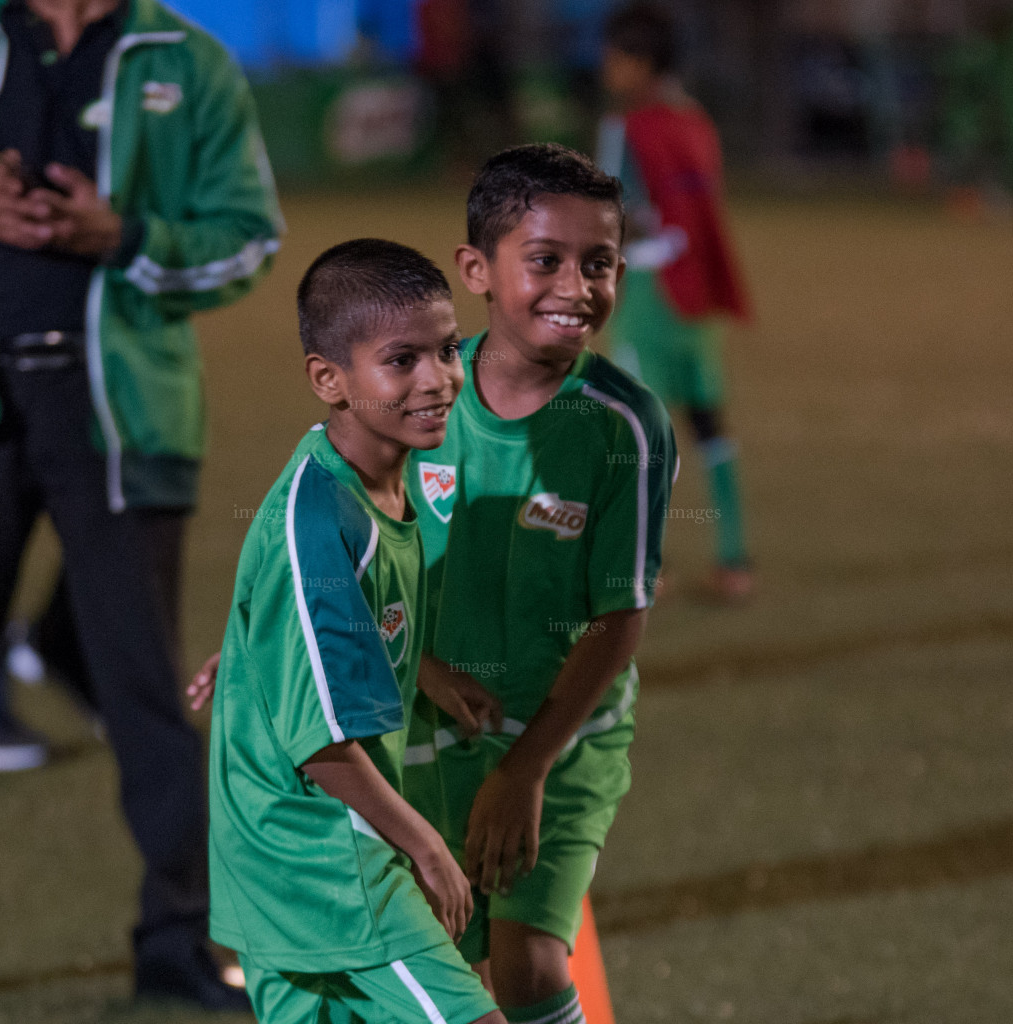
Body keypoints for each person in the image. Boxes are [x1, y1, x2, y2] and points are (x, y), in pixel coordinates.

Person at [0, 0, 283, 1010]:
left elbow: (248, 235)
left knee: (144, 688)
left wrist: (124, 235)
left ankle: (179, 930)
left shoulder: (188, 60)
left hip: (120, 416)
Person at [404, 143, 676, 1024]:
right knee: (446, 958)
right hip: (439, 725)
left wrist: (526, 768)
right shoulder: (418, 396)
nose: (575, 286)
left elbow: (620, 613)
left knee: (527, 962)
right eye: (545, 260)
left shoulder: (623, 426)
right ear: (477, 270)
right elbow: (348, 553)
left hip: (563, 735)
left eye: (598, 263)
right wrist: (417, 669)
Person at [202, 238, 504, 1024]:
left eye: (445, 349)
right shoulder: (320, 520)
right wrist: (425, 847)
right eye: (401, 361)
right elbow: (323, 744)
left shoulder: (376, 477)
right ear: (328, 379)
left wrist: (426, 670)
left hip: (274, 847)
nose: (437, 378)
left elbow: (304, 625)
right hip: (325, 849)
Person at [596, 3, 754, 602]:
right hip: (699, 295)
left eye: (615, 58)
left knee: (639, 431)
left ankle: (642, 567)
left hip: (651, 296)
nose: (607, 69)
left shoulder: (627, 128)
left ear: (640, 63)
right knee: (708, 423)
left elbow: (611, 218)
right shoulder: (695, 122)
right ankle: (735, 559)